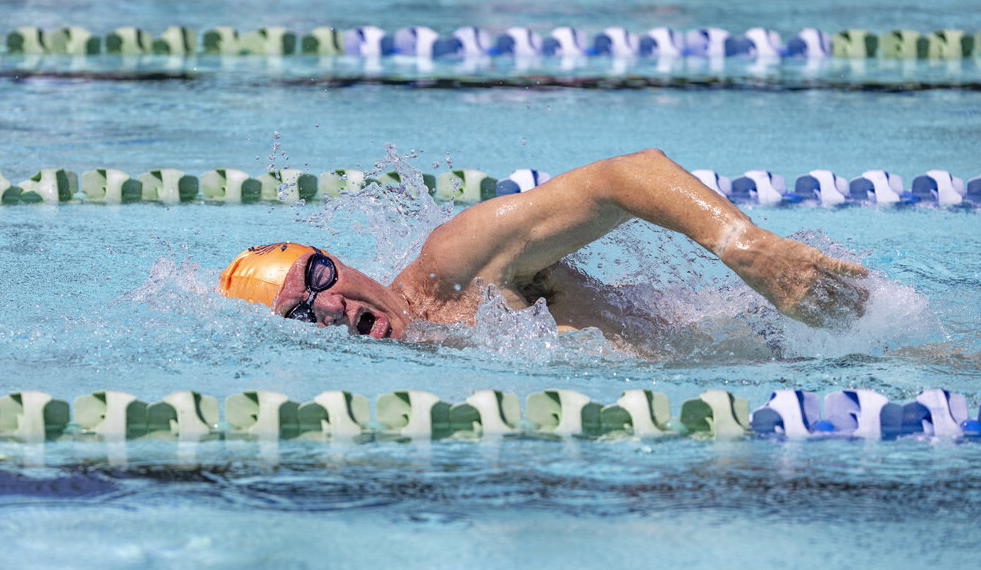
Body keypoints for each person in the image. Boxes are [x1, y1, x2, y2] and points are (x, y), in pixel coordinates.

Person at [219, 148, 869, 341]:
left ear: (340, 259)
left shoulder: (453, 265)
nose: (328, 308)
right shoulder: (415, 359)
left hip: (789, 327)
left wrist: (748, 248)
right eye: (301, 314)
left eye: (320, 277)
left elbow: (622, 178)